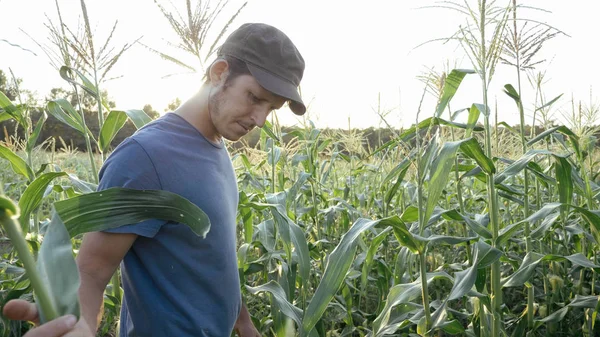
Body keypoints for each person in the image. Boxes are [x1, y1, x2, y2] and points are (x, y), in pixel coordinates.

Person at [3, 22, 306, 337]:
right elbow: (91, 273)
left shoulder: (216, 146)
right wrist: (78, 326)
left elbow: (213, 257)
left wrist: (243, 322)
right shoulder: (146, 156)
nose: (260, 119)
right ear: (219, 73)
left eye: (271, 108)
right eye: (255, 97)